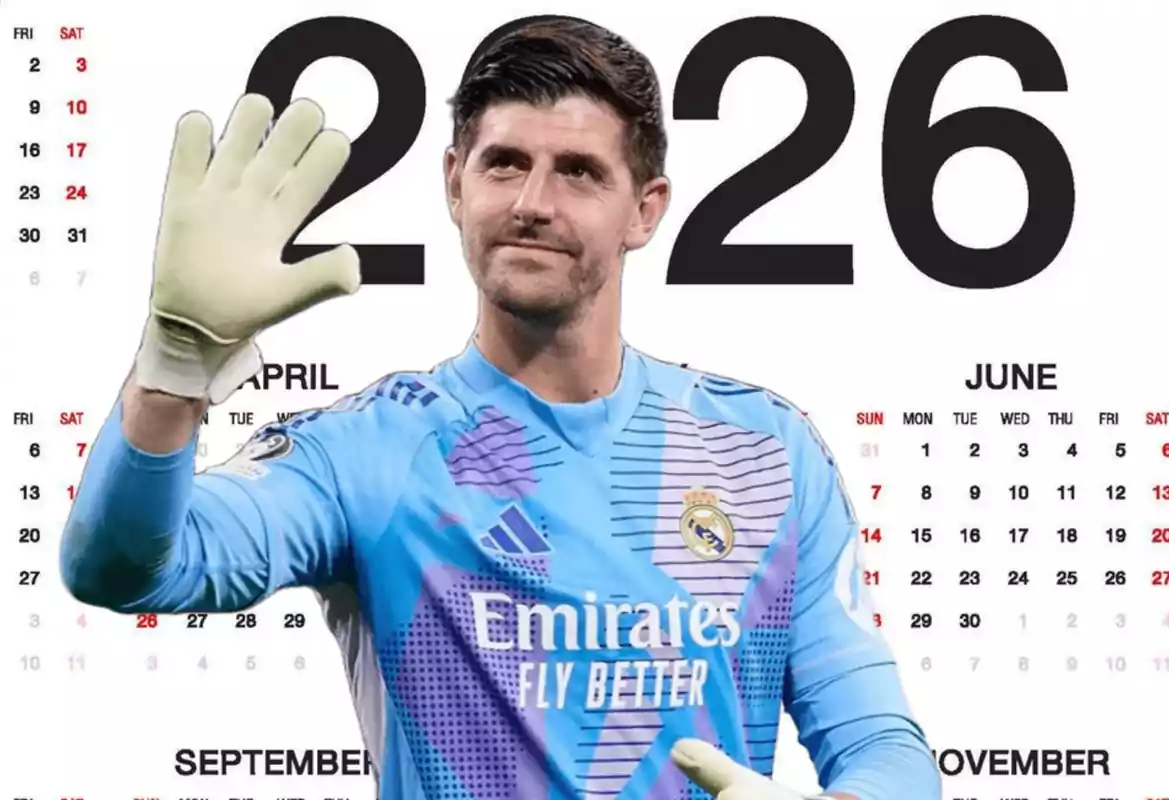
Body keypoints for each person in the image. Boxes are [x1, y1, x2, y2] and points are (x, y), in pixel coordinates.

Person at [60, 17, 940, 800]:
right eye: (505, 163)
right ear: (455, 182)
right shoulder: (367, 450)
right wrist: (171, 369)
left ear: (646, 209)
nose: (531, 203)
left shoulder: (763, 451)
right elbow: (121, 570)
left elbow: (880, 742)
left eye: (580, 173)